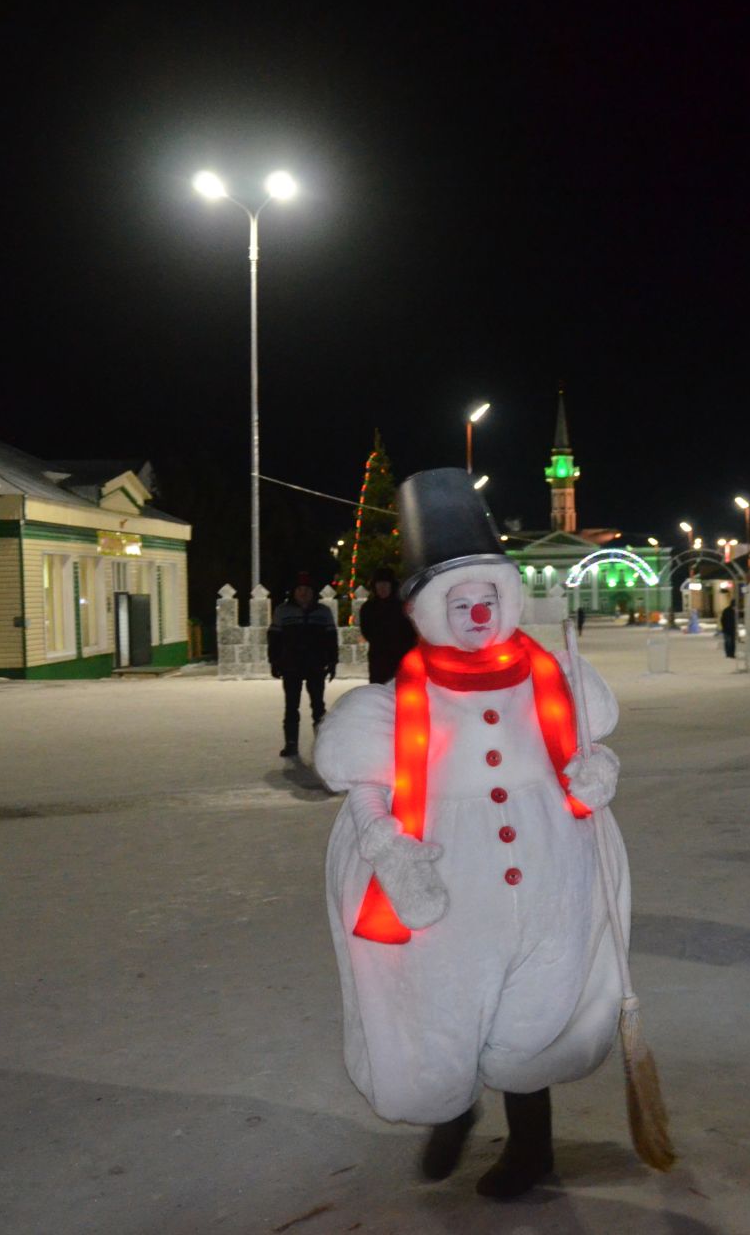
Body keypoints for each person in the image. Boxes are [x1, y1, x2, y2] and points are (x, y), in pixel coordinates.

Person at [314, 468, 627, 1200]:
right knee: (442, 1001)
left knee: (537, 1011)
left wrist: (595, 772)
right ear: (428, 611)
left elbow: (586, 748)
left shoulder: (551, 677)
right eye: (460, 601)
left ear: (508, 600)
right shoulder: (396, 702)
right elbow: (365, 783)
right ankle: (451, 1107)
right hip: (449, 875)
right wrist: (389, 847)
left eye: (489, 597)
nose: (478, 612)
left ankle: (531, 1147)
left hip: (549, 867)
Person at [270, 572, 337, 759]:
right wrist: (274, 661)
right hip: (291, 666)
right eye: (300, 589)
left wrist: (332, 662)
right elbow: (274, 639)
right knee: (291, 706)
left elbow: (331, 639)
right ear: (294, 591)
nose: (303, 593)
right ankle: (291, 743)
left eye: (307, 589)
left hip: (316, 665)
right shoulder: (283, 611)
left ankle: (322, 743)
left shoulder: (323, 612)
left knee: (318, 707)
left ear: (313, 592)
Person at [358, 566, 418, 685]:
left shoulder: (403, 607)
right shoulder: (368, 608)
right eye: (379, 585)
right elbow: (367, 631)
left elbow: (411, 631)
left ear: (392, 586)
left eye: (385, 584)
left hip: (402, 658)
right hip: (378, 659)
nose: (382, 588)